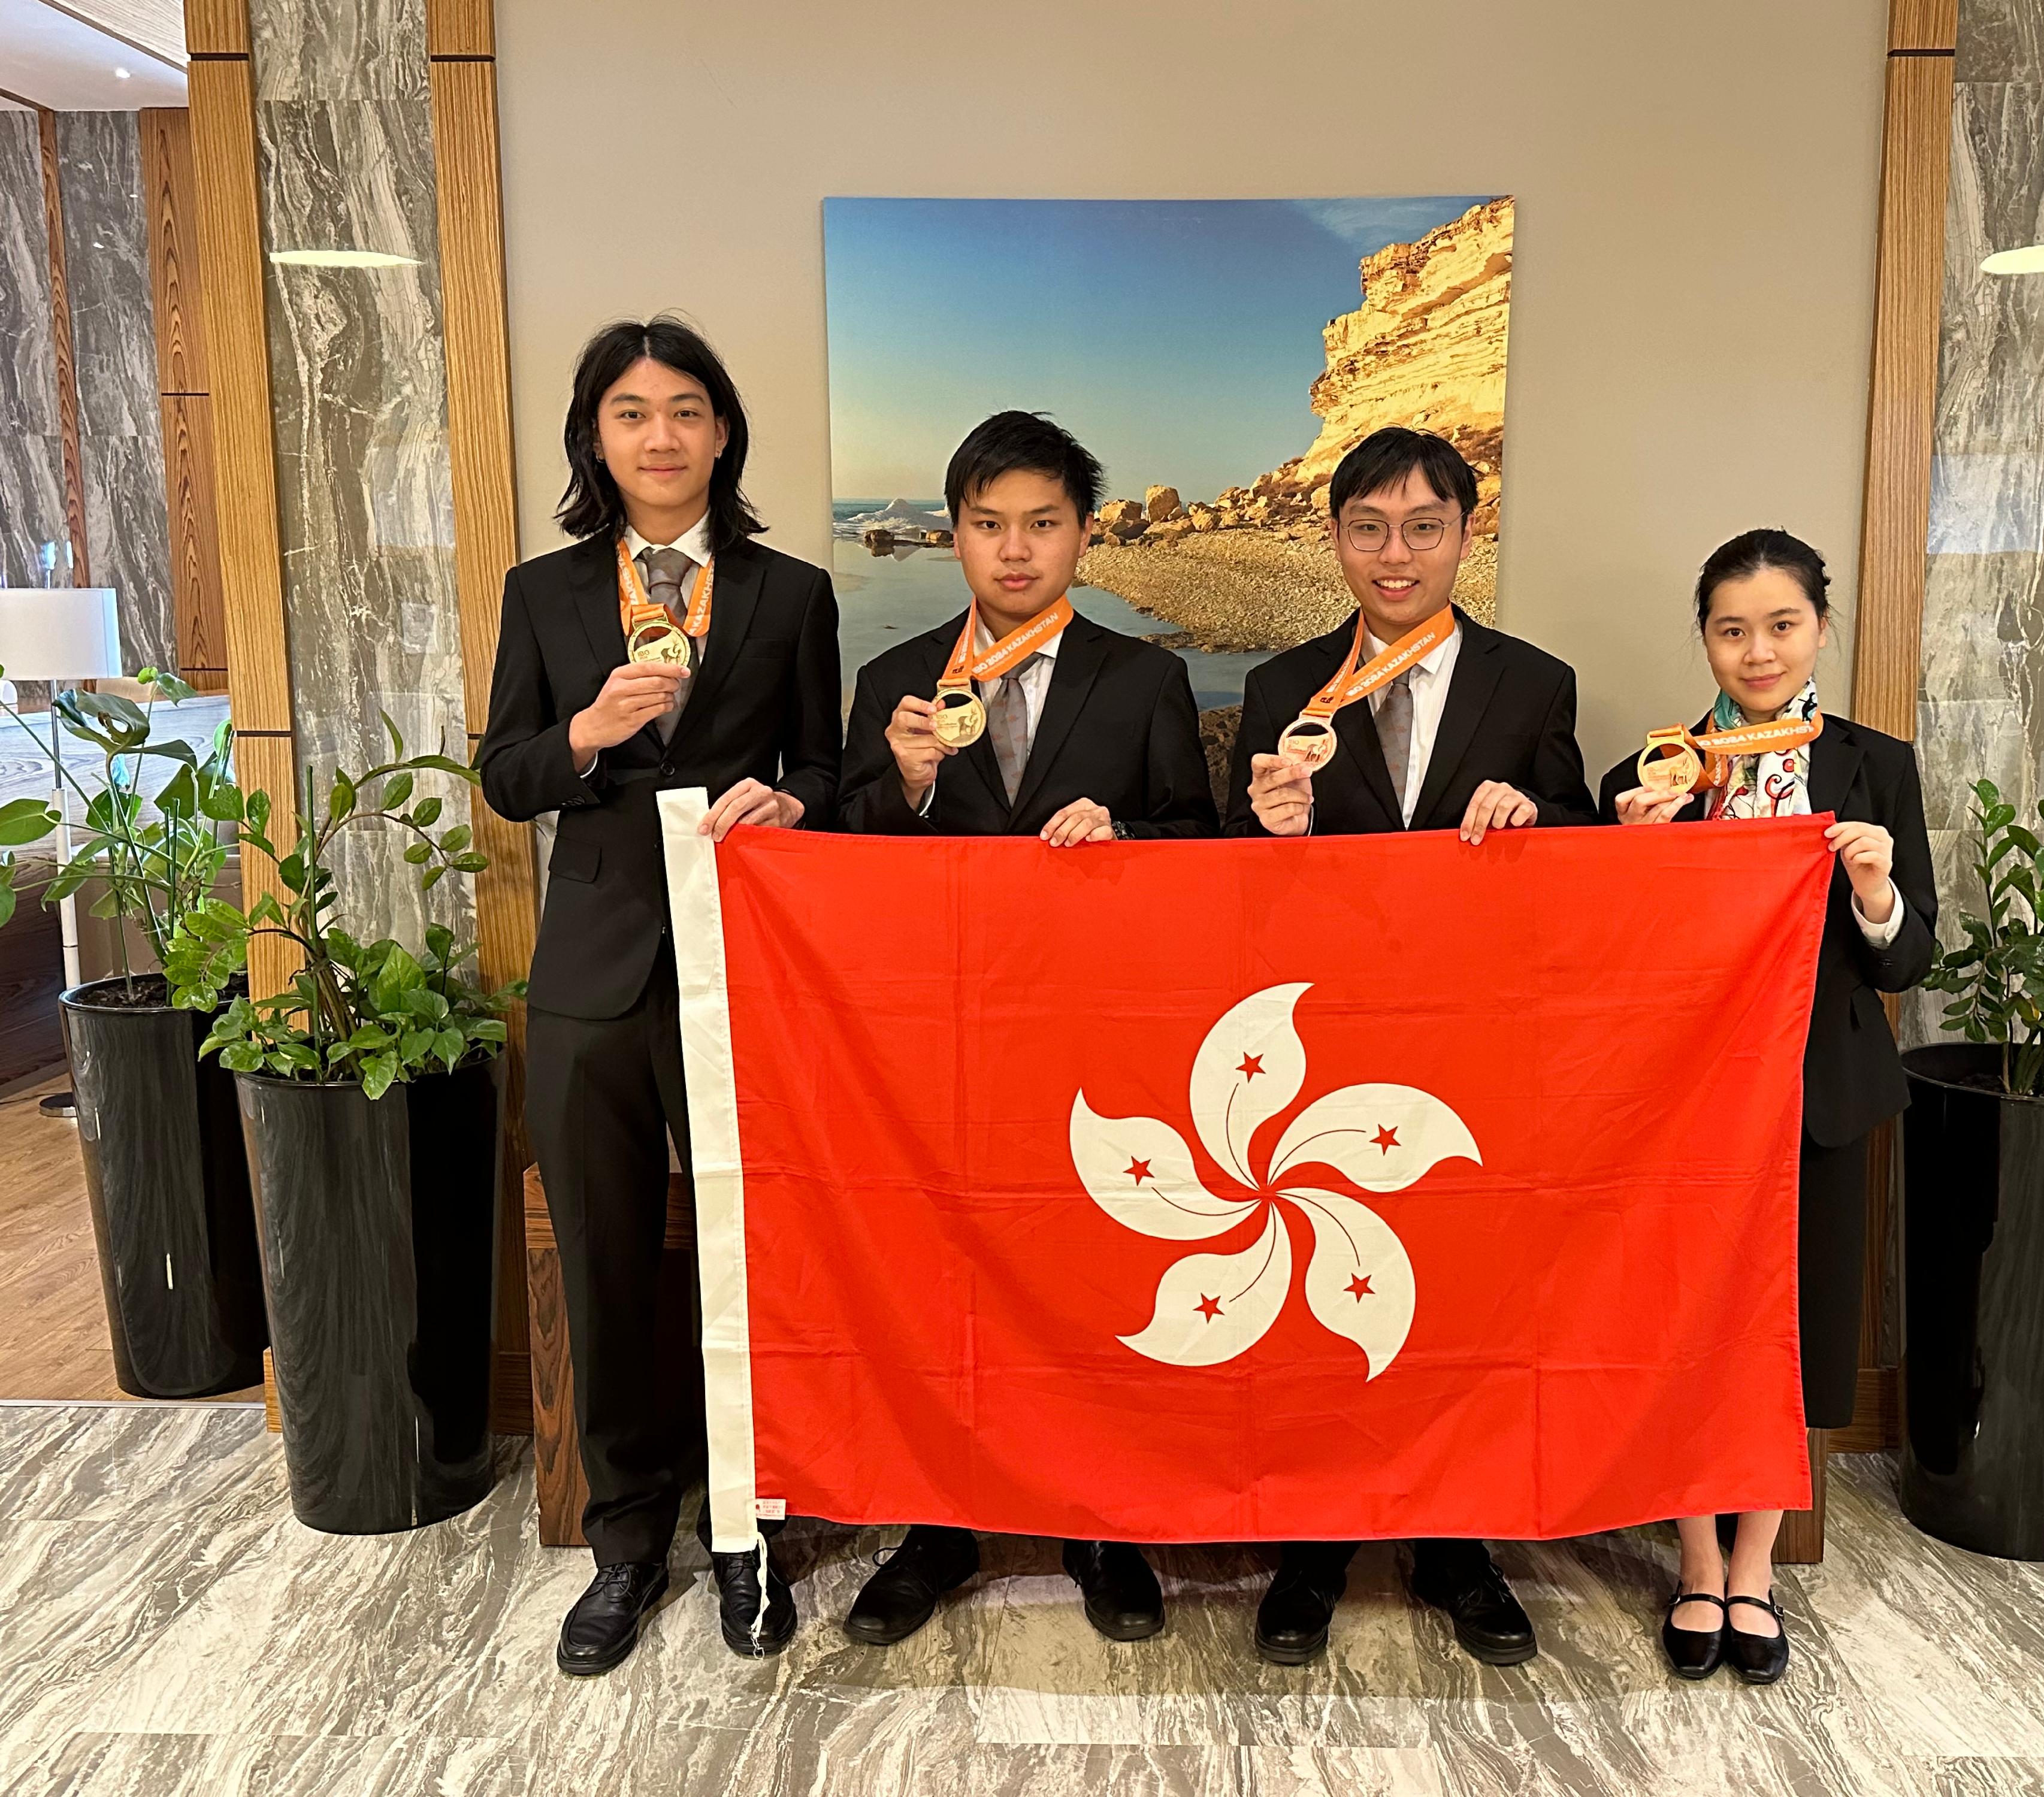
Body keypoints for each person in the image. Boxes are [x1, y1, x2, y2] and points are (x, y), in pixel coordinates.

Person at [479, 317, 840, 1677]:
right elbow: (504, 771)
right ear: (595, 437)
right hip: (591, 974)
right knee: (608, 1262)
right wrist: (586, 732)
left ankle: (749, 1538)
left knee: (754, 1264)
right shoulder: (548, 592)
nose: (661, 435)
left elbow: (831, 762)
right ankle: (628, 1545)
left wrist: (794, 799)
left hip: (748, 969)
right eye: (631, 412)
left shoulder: (790, 591)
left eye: (686, 409)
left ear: (724, 431)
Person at [837, 409, 1217, 1647]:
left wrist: (1128, 840)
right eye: (988, 526)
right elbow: (841, 872)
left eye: (1041, 526)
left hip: (1098, 1041)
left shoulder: (1144, 677)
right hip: (937, 1046)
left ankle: (1098, 1523)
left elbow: (1205, 854)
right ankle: (939, 1524)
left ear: (1084, 536)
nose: (1014, 552)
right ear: (952, 535)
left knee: (1093, 1277)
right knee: (943, 1281)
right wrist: (899, 785)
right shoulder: (890, 686)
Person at [1226, 425, 1596, 1668]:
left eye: (1422, 527)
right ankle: (1313, 1546)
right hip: (1325, 1042)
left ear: (1463, 535)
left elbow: (1587, 863)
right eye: (1368, 529)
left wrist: (1533, 819)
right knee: (1332, 1299)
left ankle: (1456, 1545)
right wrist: (1266, 839)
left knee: (1464, 1297)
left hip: (1475, 1049)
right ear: (1332, 539)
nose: (1395, 555)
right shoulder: (1280, 691)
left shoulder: (1533, 684)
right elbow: (1221, 905)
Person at [1596, 528, 1934, 1686]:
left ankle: (1759, 1564)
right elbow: (1608, 961)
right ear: (1704, 639)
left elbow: (1904, 965)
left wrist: (1878, 889)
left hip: (1822, 1092)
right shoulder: (1650, 773)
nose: (1757, 650)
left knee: (1799, 1322)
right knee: (1689, 1323)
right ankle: (1694, 1557)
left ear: (1821, 631)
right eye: (1732, 629)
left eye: (1781, 625)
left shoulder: (1875, 767)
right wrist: (1630, 855)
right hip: (1683, 1100)